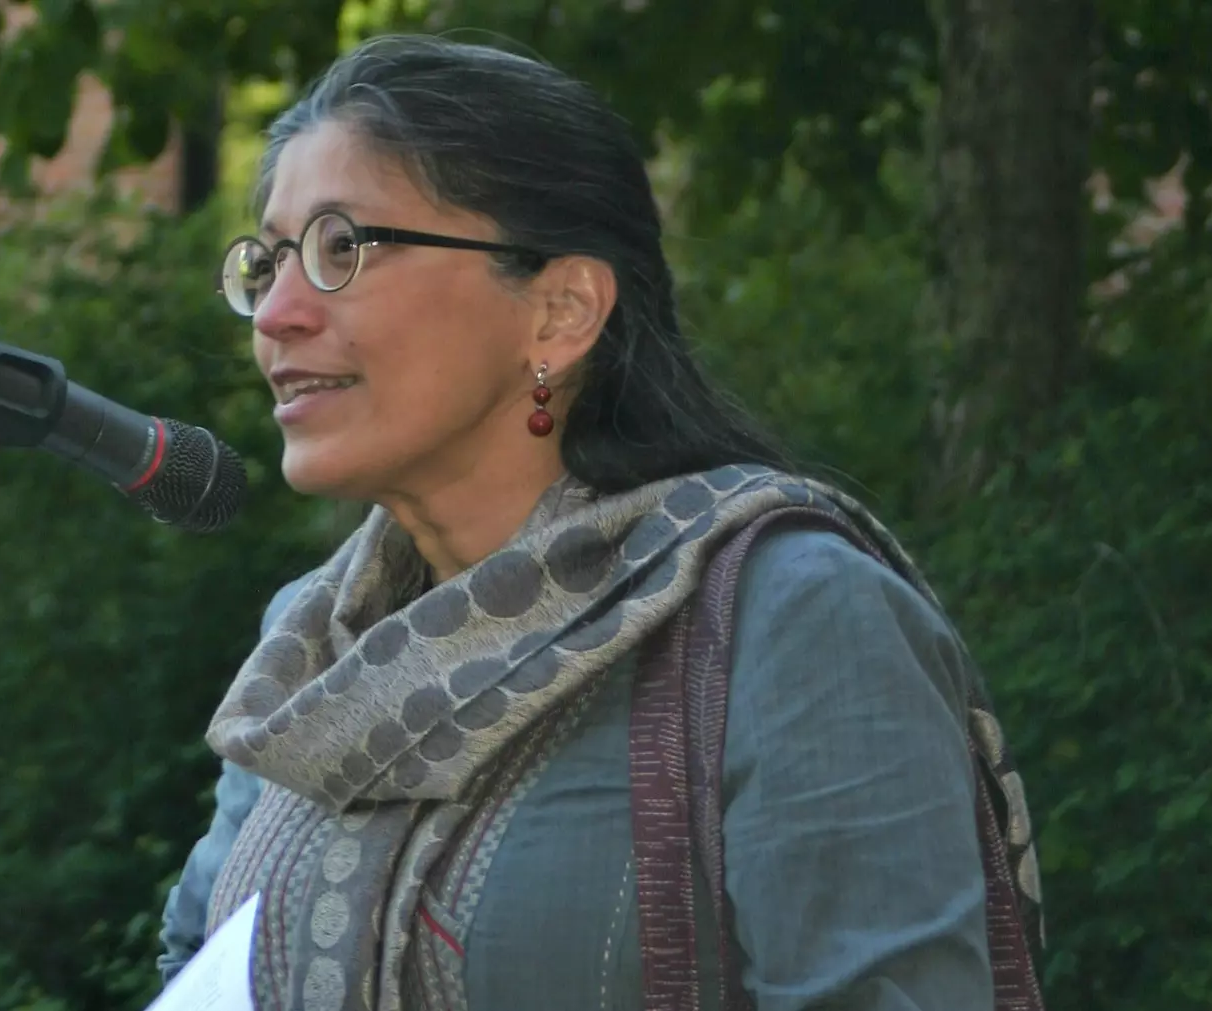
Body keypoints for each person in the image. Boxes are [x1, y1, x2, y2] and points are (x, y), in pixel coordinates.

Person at [157, 33, 1040, 1011]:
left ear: (561, 313)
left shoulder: (789, 622)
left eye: (340, 248)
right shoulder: (311, 651)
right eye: (268, 260)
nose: (275, 312)